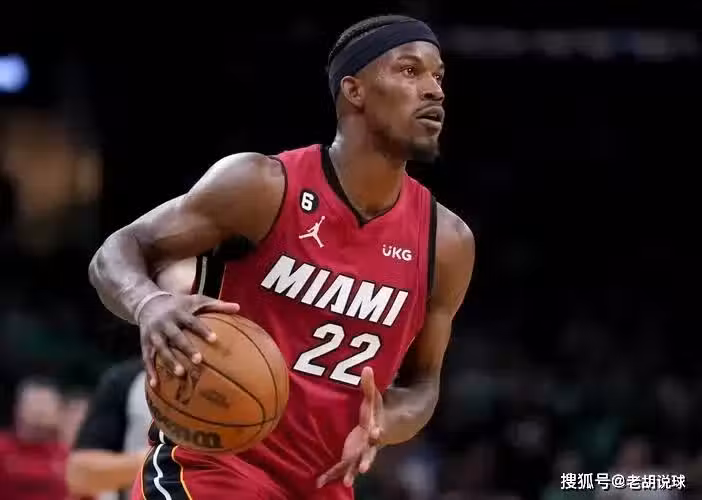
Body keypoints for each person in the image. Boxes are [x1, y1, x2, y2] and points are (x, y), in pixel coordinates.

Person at [88, 14, 475, 500]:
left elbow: (423, 386)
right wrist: (149, 303)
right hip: (208, 470)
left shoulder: (447, 242)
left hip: (324, 486)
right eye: (410, 70)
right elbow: (116, 252)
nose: (435, 90)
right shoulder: (261, 187)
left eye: (439, 76)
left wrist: (384, 421)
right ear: (354, 91)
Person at [67, 259, 196, 500]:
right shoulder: (125, 380)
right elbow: (80, 475)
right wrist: (167, 458)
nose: (196, 304)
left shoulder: (255, 376)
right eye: (184, 294)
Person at [0, 377, 69, 500]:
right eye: (34, 404)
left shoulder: (67, 456)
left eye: (45, 405)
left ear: (58, 411)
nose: (39, 412)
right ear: (18, 409)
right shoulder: (3, 450)